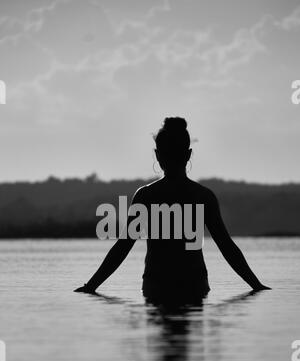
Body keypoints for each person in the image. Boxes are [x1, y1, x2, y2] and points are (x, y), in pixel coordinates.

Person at [75, 117, 270, 303]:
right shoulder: (202, 196)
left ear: (158, 155)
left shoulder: (146, 196)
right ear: (188, 154)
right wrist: (256, 285)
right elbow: (226, 246)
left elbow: (123, 246)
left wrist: (91, 286)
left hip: (155, 287)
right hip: (195, 287)